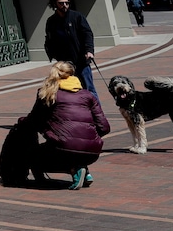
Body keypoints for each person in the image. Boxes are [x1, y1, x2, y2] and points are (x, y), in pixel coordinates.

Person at [19, 60, 110, 189]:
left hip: (62, 146)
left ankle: (72, 170)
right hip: (93, 150)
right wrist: (89, 137)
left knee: (32, 156)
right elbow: (104, 127)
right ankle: (83, 170)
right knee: (74, 150)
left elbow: (34, 119)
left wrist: (23, 122)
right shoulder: (87, 95)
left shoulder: (47, 93)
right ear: (72, 74)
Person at [44, 0, 96, 95]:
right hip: (64, 65)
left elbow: (87, 34)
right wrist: (52, 54)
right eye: (61, 3)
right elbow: (50, 39)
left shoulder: (77, 17)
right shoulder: (51, 21)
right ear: (55, 4)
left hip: (81, 60)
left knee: (89, 89)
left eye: (67, 3)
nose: (65, 5)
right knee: (69, 91)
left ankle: (96, 111)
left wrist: (89, 51)